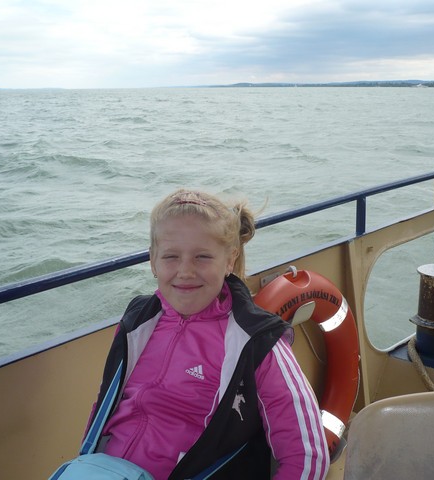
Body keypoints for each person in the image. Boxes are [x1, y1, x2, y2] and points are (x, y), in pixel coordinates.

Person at [82, 189, 329, 480]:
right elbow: (104, 406)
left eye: (202, 257)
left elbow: (308, 457)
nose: (185, 271)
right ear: (152, 260)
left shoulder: (257, 343)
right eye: (171, 256)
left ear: (229, 260)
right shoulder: (136, 323)